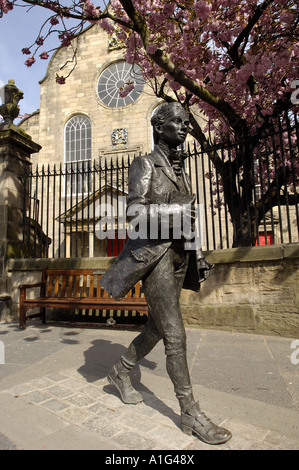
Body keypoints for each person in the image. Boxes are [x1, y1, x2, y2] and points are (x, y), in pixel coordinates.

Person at [100, 102, 232, 445]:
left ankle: (120, 370)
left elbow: (188, 218)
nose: (184, 128)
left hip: (179, 257)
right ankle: (190, 413)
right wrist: (179, 209)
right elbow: (134, 212)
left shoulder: (179, 166)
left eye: (186, 122)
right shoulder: (145, 163)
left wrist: (197, 254)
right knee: (176, 335)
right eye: (178, 122)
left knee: (157, 329)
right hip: (155, 257)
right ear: (160, 127)